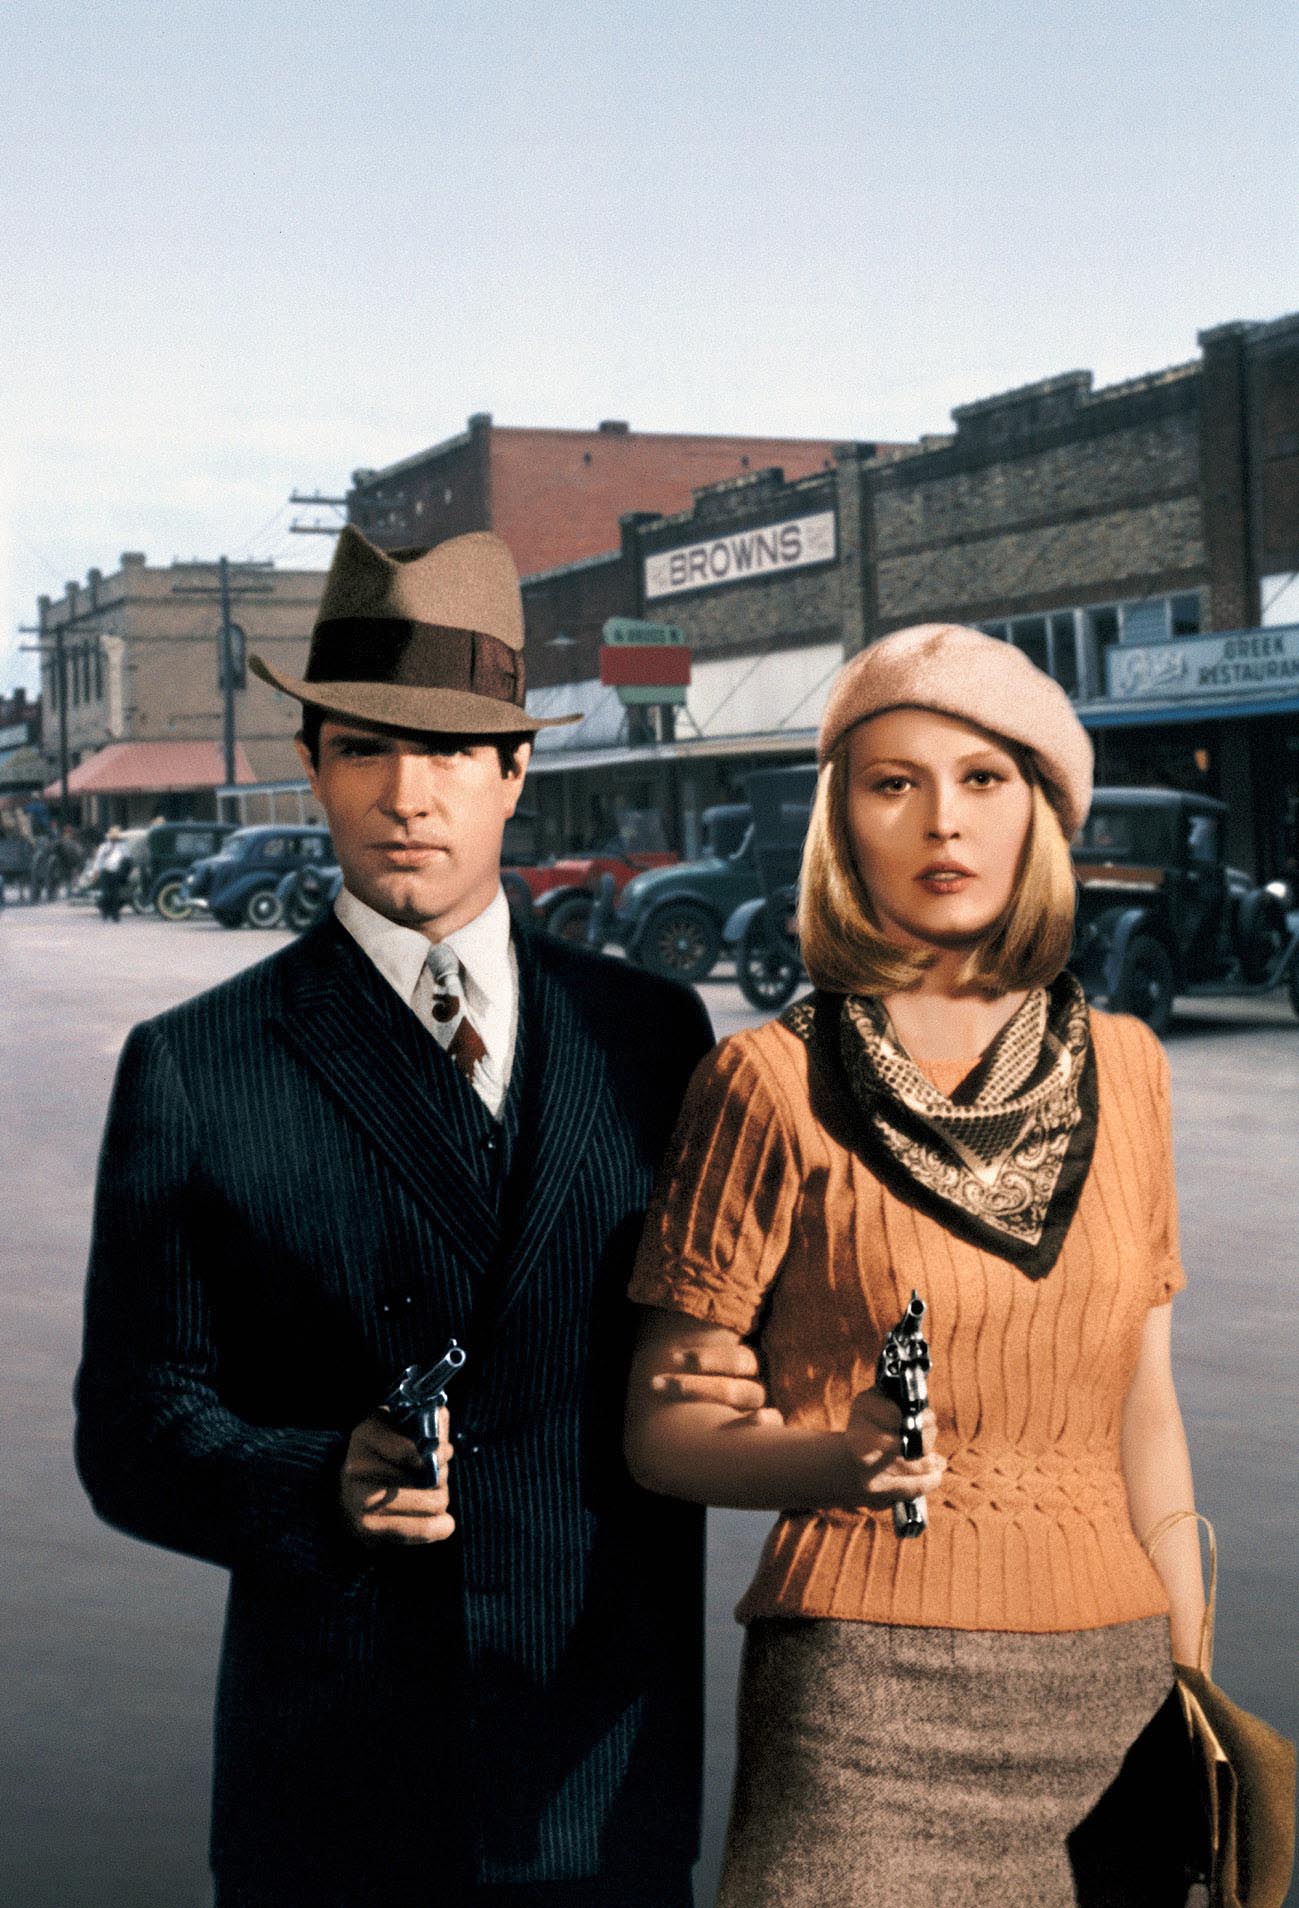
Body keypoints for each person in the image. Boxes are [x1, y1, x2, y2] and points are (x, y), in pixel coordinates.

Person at [75, 526, 762, 1908]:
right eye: (366, 749)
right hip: (336, 1787)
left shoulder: (653, 1035)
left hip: (599, 1777)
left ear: (516, 771)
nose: (407, 795)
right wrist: (318, 1478)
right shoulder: (199, 1063)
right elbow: (133, 1428)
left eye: (449, 751)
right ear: (314, 762)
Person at [624, 623, 1207, 1906]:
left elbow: (1144, 1407)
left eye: (985, 780)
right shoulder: (765, 1080)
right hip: (860, 1703)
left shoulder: (1132, 1070)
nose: (944, 822)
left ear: (1041, 815)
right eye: (896, 783)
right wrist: (840, 1455)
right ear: (846, 822)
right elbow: (661, 1438)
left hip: (1111, 1685)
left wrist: (1188, 1661)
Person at [88, 824, 131, 920]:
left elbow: (128, 859)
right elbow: (99, 860)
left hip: (116, 872)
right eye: (113, 838)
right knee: (106, 894)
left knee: (115, 894)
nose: (115, 839)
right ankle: (105, 912)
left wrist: (124, 871)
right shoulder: (104, 846)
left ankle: (115, 915)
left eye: (116, 838)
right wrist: (96, 872)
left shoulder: (123, 847)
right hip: (105, 872)